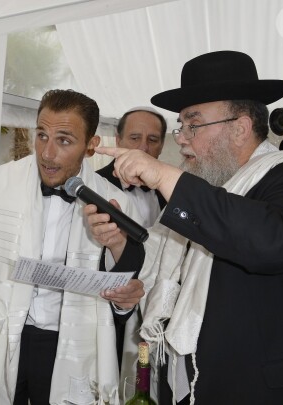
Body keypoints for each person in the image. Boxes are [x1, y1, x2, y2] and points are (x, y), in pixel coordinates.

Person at [93, 50, 283, 404]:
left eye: (192, 124)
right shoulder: (203, 193)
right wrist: (123, 253)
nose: (180, 138)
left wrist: (168, 176)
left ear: (240, 128)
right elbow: (161, 271)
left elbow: (272, 240)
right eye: (181, 125)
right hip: (184, 387)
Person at [0, 89, 146, 404]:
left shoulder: (118, 203)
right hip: (3, 339)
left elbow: (126, 295)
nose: (47, 153)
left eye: (64, 140)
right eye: (42, 135)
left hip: (70, 343)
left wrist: (117, 245)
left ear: (91, 146)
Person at [96, 106, 167, 377]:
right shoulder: (93, 185)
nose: (143, 148)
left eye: (153, 139)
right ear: (118, 140)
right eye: (135, 138)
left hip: (157, 309)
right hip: (107, 311)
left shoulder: (170, 190)